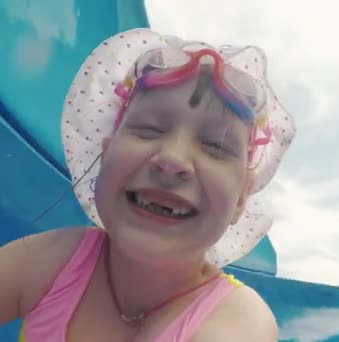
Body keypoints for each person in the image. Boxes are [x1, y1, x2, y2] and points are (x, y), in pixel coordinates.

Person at [0, 28, 295, 341]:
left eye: (215, 146)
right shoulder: (48, 261)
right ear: (105, 155)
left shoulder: (238, 323)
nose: (172, 159)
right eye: (149, 130)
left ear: (240, 200)